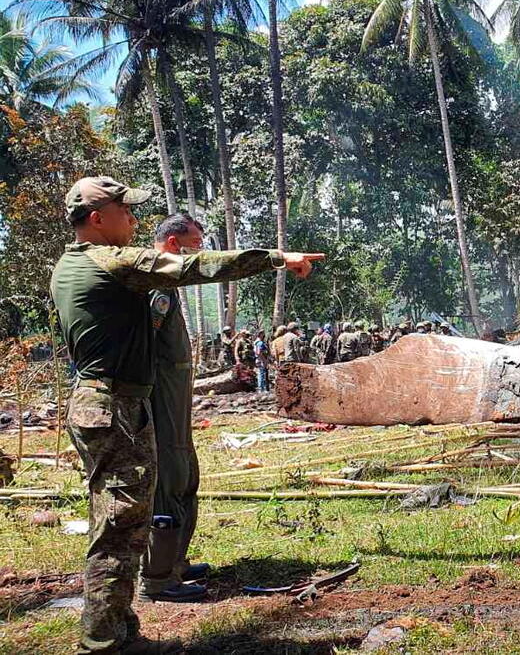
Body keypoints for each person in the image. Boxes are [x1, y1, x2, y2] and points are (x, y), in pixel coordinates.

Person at [51, 176, 324, 655]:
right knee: (119, 527)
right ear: (96, 219)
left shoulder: (67, 266)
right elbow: (198, 267)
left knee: (124, 522)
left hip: (104, 403)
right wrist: (279, 258)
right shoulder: (110, 262)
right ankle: (104, 641)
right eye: (124, 211)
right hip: (113, 406)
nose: (133, 220)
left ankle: (120, 627)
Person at [137, 214, 207, 606]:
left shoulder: (168, 286)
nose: (199, 252)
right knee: (168, 479)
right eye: (194, 244)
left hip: (175, 402)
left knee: (185, 475)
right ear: (175, 245)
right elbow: (144, 343)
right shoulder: (158, 285)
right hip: (161, 400)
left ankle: (176, 563)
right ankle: (159, 577)